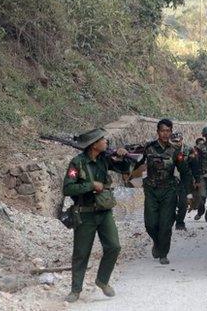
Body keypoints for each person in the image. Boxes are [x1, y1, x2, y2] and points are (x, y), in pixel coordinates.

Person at [62, 128, 133, 303]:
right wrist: (91, 185)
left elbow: (125, 169)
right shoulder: (77, 163)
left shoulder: (105, 159)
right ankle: (75, 290)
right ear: (94, 145)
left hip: (104, 212)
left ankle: (102, 280)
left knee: (114, 246)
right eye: (103, 140)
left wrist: (123, 156)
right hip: (84, 214)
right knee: (81, 253)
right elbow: (68, 188)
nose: (106, 142)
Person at [134, 119, 190, 265]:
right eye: (162, 131)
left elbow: (184, 171)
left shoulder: (175, 150)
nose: (165, 134)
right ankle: (157, 243)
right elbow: (136, 163)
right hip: (151, 190)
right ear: (157, 132)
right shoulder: (149, 148)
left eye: (168, 131)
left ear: (171, 132)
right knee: (150, 224)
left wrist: (187, 193)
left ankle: (163, 253)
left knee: (165, 224)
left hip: (169, 191)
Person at [169, 132, 196, 231]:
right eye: (174, 141)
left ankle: (180, 223)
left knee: (183, 203)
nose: (176, 143)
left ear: (182, 140)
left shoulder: (188, 149)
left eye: (178, 141)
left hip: (184, 179)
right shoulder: (168, 150)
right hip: (170, 180)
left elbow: (194, 164)